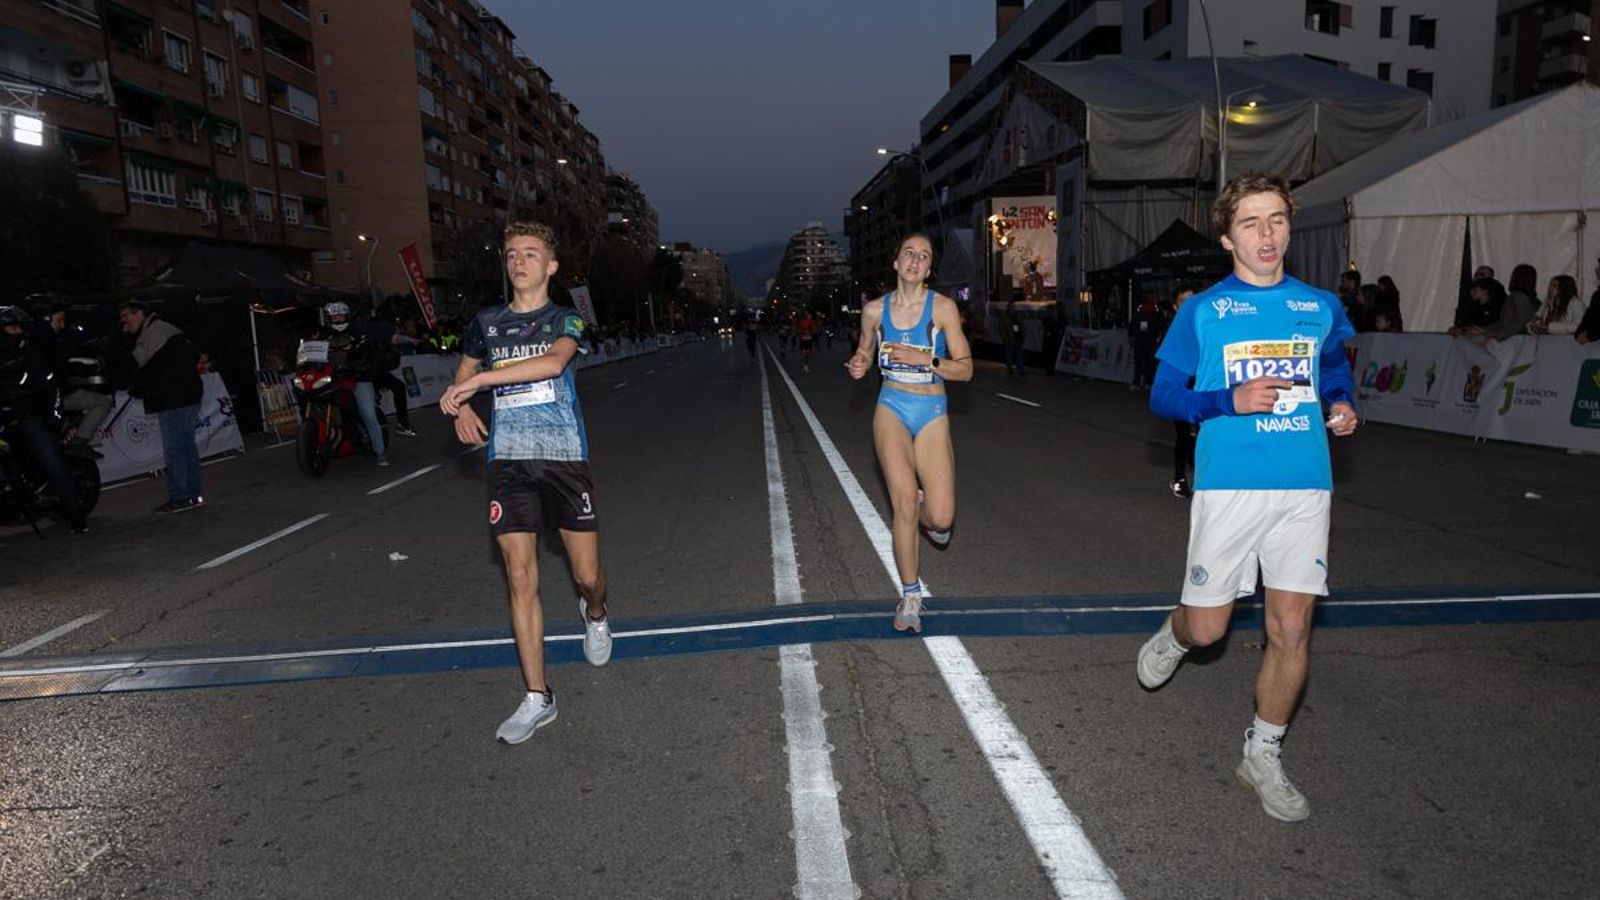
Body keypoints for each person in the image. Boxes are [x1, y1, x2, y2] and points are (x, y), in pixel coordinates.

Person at [1139, 173, 1358, 823]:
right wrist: (1224, 402)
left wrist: (1341, 404)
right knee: (1208, 630)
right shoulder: (1202, 311)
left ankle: (1262, 754)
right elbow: (1162, 395)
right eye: (1252, 224)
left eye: (1278, 221)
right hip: (1230, 486)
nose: (1268, 236)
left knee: (1291, 627)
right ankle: (1176, 634)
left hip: (1303, 486)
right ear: (1228, 236)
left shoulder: (1318, 306)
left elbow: (1335, 368)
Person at [438, 221, 613, 745]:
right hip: (509, 463)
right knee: (520, 575)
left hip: (564, 460)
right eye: (512, 254)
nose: (519, 262)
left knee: (586, 574)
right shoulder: (486, 324)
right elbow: (462, 370)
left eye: (531, 253)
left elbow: (555, 363)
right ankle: (538, 696)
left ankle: (597, 611)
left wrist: (481, 382)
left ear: (551, 266)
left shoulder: (567, 319)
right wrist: (460, 406)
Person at [846, 233, 974, 633]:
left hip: (932, 409)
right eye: (909, 253)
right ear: (896, 263)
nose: (916, 260)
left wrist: (927, 357)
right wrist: (860, 362)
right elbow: (865, 350)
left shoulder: (943, 309)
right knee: (902, 504)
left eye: (924, 256)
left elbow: (966, 369)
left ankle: (927, 511)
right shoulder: (872, 311)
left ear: (929, 269)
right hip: (892, 407)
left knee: (941, 516)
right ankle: (911, 595)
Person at [0, 306, 89, 533]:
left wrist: (54, 417)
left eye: (20, 327)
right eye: (12, 327)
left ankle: (76, 514)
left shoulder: (30, 356)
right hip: (4, 420)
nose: (17, 331)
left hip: (29, 418)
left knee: (52, 463)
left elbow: (50, 388)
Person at [118, 300, 205, 514]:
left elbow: (135, 364)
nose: (124, 322)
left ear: (139, 314)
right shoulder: (168, 328)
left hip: (173, 397)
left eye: (125, 317)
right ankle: (193, 494)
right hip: (189, 394)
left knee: (175, 449)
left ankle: (180, 497)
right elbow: (195, 355)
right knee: (187, 446)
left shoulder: (152, 333)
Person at [313, 301, 390, 466]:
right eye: (334, 315)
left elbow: (369, 353)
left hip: (358, 378)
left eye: (341, 315)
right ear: (328, 317)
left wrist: (357, 367)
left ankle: (380, 452)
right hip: (332, 378)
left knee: (368, 413)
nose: (338, 318)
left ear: (347, 315)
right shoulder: (322, 334)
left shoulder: (360, 332)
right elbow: (311, 352)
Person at [30, 302, 111, 457]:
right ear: (47, 319)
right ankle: (78, 441)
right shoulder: (49, 341)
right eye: (59, 320)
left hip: (46, 399)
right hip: (55, 398)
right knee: (102, 402)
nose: (62, 325)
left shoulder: (37, 339)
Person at [1169, 285, 1200, 499]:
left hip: (1203, 390)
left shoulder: (1206, 327)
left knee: (1202, 436)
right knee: (1185, 436)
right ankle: (1180, 477)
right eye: (1183, 302)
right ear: (1175, 307)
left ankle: (1202, 477)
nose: (1189, 306)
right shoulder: (1172, 331)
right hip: (1180, 391)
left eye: (1192, 300)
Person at [1490, 263, 1539, 340]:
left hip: (1514, 340)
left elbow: (1520, 324)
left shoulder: (1519, 298)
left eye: (1513, 274)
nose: (1510, 276)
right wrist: (1484, 330)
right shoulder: (1516, 297)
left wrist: (1494, 335)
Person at [1129, 295, 1162, 389]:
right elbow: (1160, 324)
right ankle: (1146, 382)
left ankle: (1138, 382)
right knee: (1149, 362)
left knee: (1140, 362)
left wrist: (1131, 336)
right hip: (1149, 339)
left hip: (1142, 339)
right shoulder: (1155, 310)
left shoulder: (1140, 311)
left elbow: (1132, 325)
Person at [1577, 257, 1600, 344]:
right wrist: (1580, 332)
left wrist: (1590, 335)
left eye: (1599, 266)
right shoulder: (1597, 295)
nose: (1596, 269)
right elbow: (1588, 318)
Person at [1000, 298, 1024, 376]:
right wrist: (1004, 338)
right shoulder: (1004, 316)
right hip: (1009, 338)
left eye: (1014, 306)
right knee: (1009, 354)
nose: (1013, 308)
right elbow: (1001, 328)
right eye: (1011, 306)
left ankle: (1020, 369)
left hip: (1017, 337)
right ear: (1008, 307)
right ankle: (1010, 370)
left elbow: (1022, 325)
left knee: (1018, 354)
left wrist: (1023, 334)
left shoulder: (1017, 315)